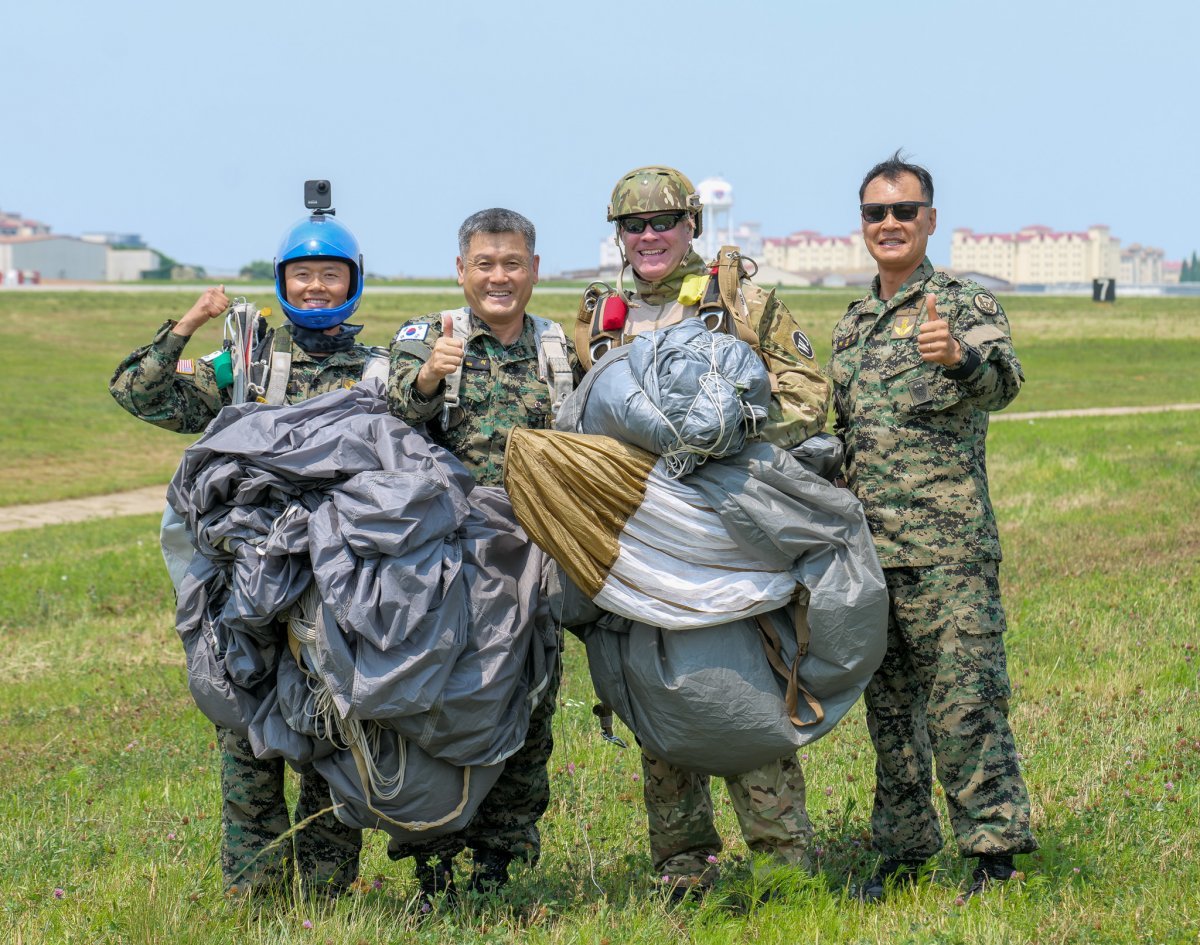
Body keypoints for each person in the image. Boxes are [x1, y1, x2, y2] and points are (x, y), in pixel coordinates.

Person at [110, 209, 386, 897]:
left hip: (335, 588)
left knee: (332, 729)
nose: (317, 287)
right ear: (282, 282)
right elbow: (137, 392)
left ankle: (327, 890)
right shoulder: (249, 361)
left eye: (330, 274)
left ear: (352, 282)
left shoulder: (381, 373)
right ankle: (254, 894)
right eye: (303, 275)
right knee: (246, 736)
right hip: (246, 587)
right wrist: (192, 321)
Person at [578, 165, 831, 899]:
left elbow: (809, 397)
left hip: (725, 538)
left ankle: (785, 869)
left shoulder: (741, 302)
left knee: (746, 697)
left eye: (664, 222)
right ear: (619, 235)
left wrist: (727, 429)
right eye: (635, 225)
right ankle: (683, 866)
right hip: (640, 540)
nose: (650, 236)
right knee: (656, 700)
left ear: (694, 225)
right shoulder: (603, 315)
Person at [827, 152, 1037, 902]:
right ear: (863, 225)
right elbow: (841, 436)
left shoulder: (961, 304)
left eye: (904, 211)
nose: (890, 224)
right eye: (876, 213)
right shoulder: (851, 328)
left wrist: (960, 358)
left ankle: (995, 854)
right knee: (892, 718)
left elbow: (1004, 383)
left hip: (948, 551)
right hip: (870, 559)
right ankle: (905, 851)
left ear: (930, 220)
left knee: (966, 704)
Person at [386, 207, 579, 902]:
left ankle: (500, 863)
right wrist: (430, 379)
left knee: (529, 708)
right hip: (446, 568)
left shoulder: (558, 349)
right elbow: (384, 427)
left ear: (534, 268)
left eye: (513, 263)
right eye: (485, 264)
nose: (500, 277)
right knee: (438, 710)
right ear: (461, 270)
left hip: (535, 563)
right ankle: (433, 861)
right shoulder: (425, 340)